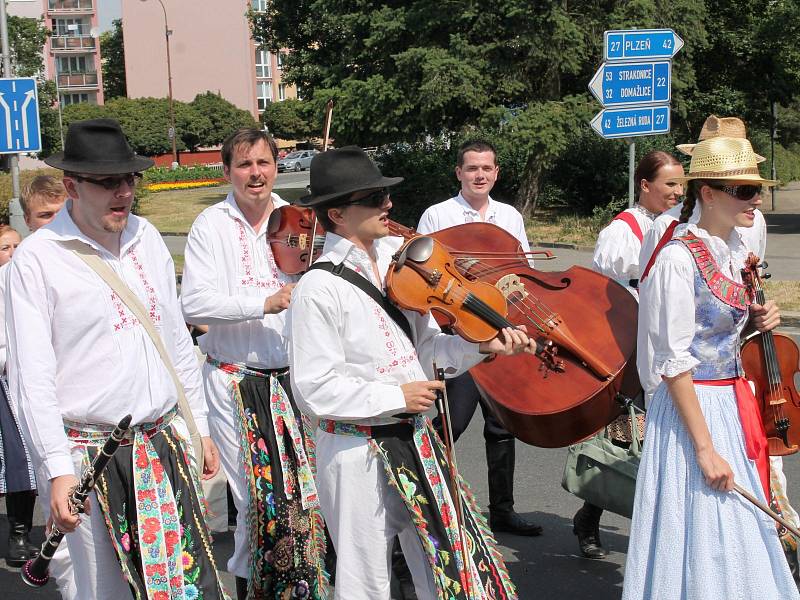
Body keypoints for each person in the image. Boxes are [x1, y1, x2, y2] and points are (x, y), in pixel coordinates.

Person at [289, 146, 530, 599]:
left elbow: (428, 351)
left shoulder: (404, 268)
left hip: (414, 438)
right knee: (366, 579)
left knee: (442, 563)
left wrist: (482, 345)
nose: (388, 205)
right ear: (337, 214)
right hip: (353, 447)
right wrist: (395, 397)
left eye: (384, 194)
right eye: (373, 198)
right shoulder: (317, 287)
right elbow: (313, 388)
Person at [6, 118, 228, 599]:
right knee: (100, 590)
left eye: (128, 179)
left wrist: (200, 426)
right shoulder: (37, 259)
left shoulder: (147, 236)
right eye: (107, 182)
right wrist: (57, 470)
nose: (123, 191)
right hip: (87, 459)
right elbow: (31, 380)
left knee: (184, 586)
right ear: (71, 186)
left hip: (162, 444)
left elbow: (175, 341)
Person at [622, 134, 798, 599]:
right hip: (691, 409)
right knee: (701, 528)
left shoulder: (736, 251)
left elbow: (717, 335)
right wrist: (704, 448)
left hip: (730, 401)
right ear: (708, 194)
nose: (755, 199)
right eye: (743, 191)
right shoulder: (677, 260)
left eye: (755, 190)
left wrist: (757, 322)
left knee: (737, 531)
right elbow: (673, 362)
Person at [181, 128, 329, 600]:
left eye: (263, 163)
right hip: (233, 382)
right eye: (244, 165)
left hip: (294, 381)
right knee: (254, 504)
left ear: (276, 165)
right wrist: (262, 302)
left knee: (305, 500)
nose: (256, 173)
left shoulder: (300, 220)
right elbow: (194, 303)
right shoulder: (211, 224)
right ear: (227, 171)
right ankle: (254, 591)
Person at [415, 140, 541, 536]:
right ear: (459, 173)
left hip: (501, 332)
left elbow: (524, 270)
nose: (479, 175)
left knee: (501, 426)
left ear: (496, 172)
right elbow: (423, 279)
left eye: (486, 168)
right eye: (472, 168)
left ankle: (502, 510)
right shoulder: (438, 215)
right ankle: (432, 504)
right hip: (460, 333)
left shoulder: (509, 215)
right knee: (452, 422)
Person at [571, 151, 684, 559]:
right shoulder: (623, 229)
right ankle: (590, 516)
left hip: (669, 341)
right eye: (670, 183)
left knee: (668, 439)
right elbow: (602, 294)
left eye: (681, 183)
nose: (678, 191)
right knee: (623, 440)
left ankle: (662, 530)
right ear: (645, 185)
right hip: (630, 346)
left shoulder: (681, 224)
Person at [0, 224, 38, 569]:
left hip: (27, 381)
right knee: (14, 459)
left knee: (25, 459)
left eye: (16, 247)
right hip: (6, 380)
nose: (12, 255)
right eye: (4, 249)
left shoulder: (28, 277)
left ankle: (21, 532)